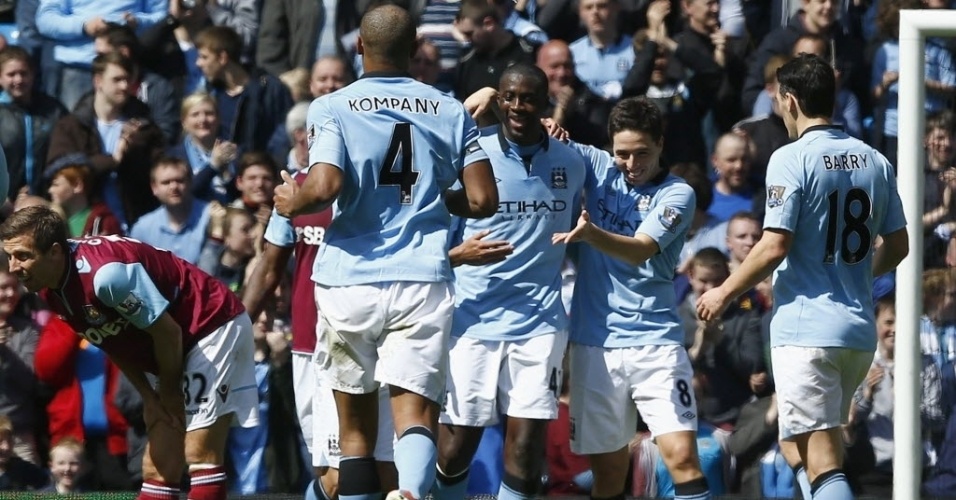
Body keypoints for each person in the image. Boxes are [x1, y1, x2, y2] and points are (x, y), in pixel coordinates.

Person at [272, 5, 498, 500]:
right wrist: (441, 196)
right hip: (422, 278)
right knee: (413, 416)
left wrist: (292, 200)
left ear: (358, 46)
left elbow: (324, 186)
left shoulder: (332, 106)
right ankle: (412, 493)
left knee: (354, 435)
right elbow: (483, 200)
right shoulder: (449, 108)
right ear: (416, 47)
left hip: (348, 280)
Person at [697, 54, 910, 500]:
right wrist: (855, 275)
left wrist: (723, 291)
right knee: (796, 445)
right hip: (855, 331)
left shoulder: (791, 158)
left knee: (821, 458)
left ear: (788, 100)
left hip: (806, 330)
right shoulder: (874, 160)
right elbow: (900, 246)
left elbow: (775, 244)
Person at [0, 206, 260, 500]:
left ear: (55, 252)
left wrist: (169, 393)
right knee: (157, 467)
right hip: (173, 341)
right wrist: (149, 397)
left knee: (200, 452)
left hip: (210, 324)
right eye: (9, 256)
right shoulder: (50, 287)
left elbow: (168, 332)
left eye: (23, 255)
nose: (13, 267)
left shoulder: (106, 277)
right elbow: (111, 339)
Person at [432, 64, 586, 500]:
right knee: (458, 443)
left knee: (526, 444)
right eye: (510, 97)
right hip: (472, 319)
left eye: (529, 98)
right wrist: (459, 256)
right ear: (498, 100)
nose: (519, 106)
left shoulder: (569, 161)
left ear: (543, 103)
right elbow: (433, 239)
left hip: (539, 322)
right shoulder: (469, 154)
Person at [552, 96, 712, 500]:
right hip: (595, 344)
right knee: (608, 473)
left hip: (655, 343)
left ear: (661, 143)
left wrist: (590, 234)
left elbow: (640, 248)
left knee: (681, 457)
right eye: (622, 153)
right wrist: (541, 123)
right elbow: (534, 134)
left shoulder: (678, 194)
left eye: (642, 153)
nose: (631, 163)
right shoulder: (596, 164)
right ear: (609, 147)